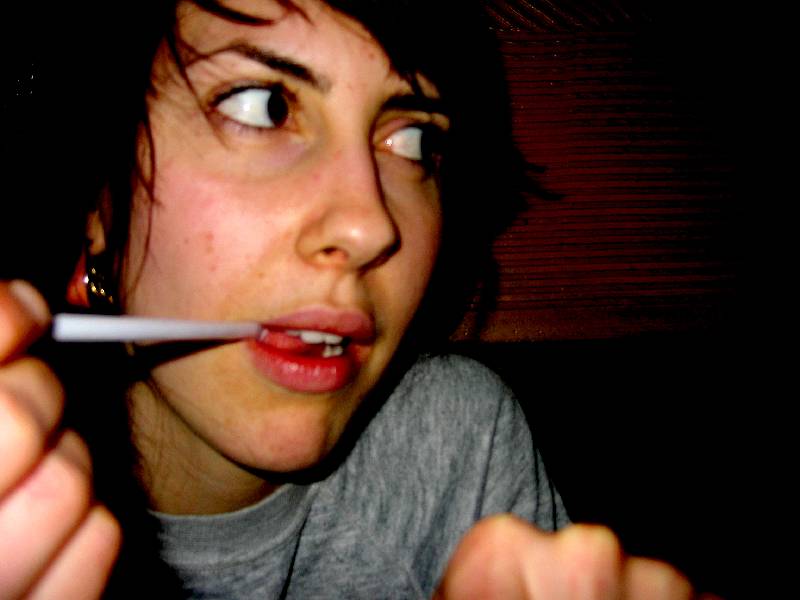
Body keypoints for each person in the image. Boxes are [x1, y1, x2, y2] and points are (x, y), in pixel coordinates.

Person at [1, 0, 699, 598]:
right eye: (263, 106)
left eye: (413, 139)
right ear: (99, 197)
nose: (371, 227)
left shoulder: (457, 443)